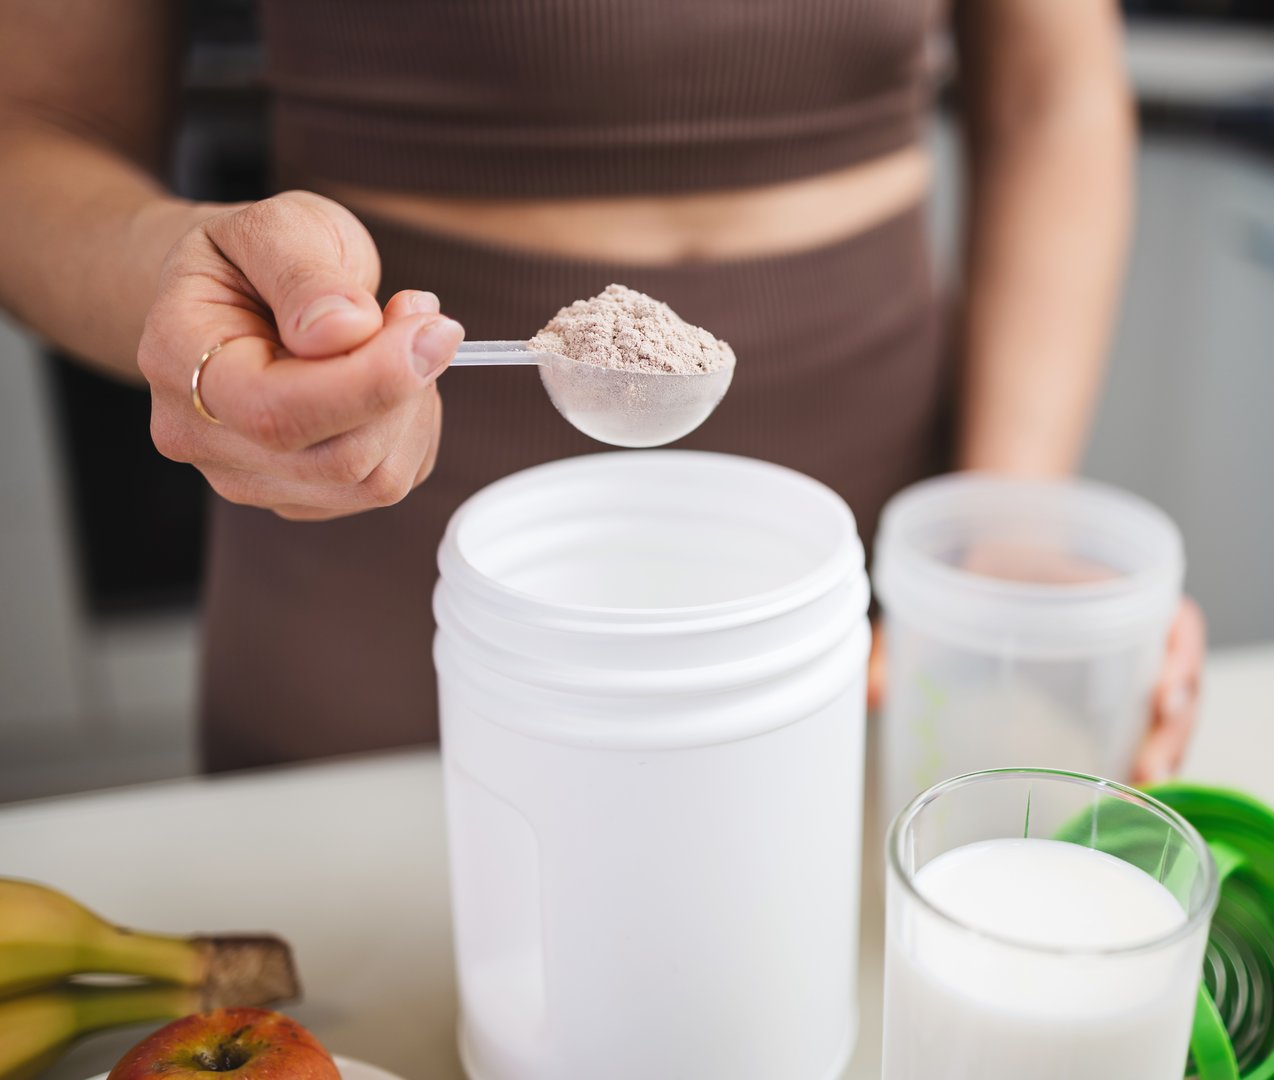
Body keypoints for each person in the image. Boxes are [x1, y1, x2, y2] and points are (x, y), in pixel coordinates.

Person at [0, 0, 1201, 780]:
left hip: (864, 563)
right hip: (379, 533)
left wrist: (991, 536)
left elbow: (1054, 92)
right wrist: (186, 289)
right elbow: (29, 124)